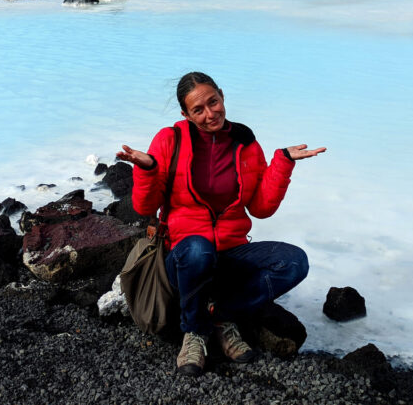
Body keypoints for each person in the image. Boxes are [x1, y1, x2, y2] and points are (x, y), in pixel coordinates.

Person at [117, 72, 326, 376]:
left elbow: (261, 208)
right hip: (184, 258)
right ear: (185, 114)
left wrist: (282, 162)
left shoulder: (245, 143)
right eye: (198, 110)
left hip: (230, 253)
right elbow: (144, 207)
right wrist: (147, 169)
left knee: (295, 262)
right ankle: (194, 332)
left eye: (213, 102)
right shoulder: (169, 140)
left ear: (222, 96)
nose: (209, 113)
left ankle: (221, 315)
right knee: (199, 250)